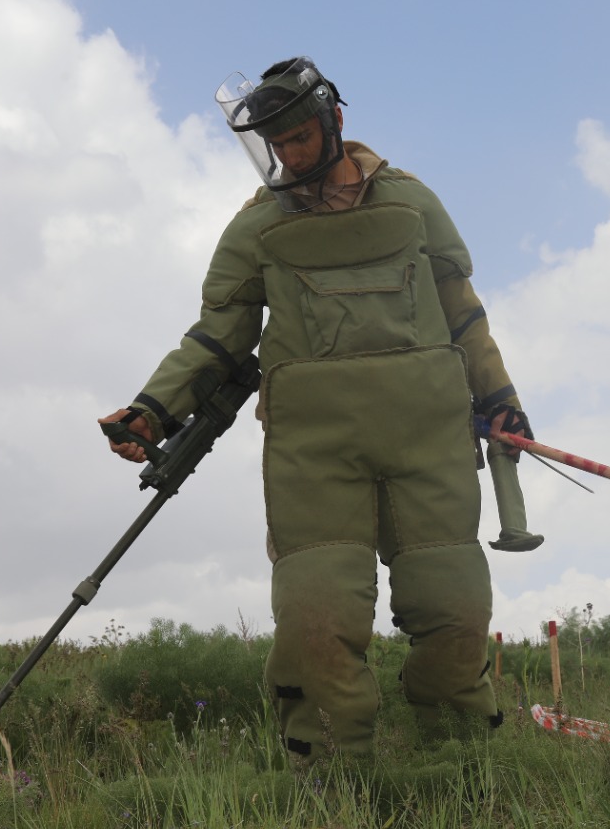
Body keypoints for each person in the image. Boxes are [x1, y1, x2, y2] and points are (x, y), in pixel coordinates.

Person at [99, 57, 530, 762]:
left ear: (334, 122)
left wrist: (502, 400)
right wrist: (153, 409)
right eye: (276, 143)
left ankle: (454, 762)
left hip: (431, 441)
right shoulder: (257, 227)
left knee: (454, 608)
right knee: (314, 617)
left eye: (300, 137)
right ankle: (332, 775)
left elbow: (464, 316)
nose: (289, 155)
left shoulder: (411, 202)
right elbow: (218, 335)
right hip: (315, 453)